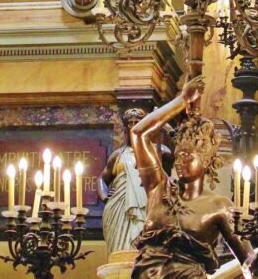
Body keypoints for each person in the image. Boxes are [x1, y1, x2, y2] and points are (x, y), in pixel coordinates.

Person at [130, 76, 249, 277]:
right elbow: (138, 133)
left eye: (188, 157)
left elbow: (250, 263)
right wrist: (182, 99)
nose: (179, 162)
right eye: (178, 156)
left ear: (205, 159)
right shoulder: (158, 188)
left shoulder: (219, 206)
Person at [100, 108, 150, 254]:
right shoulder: (118, 154)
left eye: (137, 122)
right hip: (119, 206)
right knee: (119, 248)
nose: (133, 125)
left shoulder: (153, 152)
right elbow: (102, 179)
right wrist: (104, 195)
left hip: (143, 205)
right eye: (130, 123)